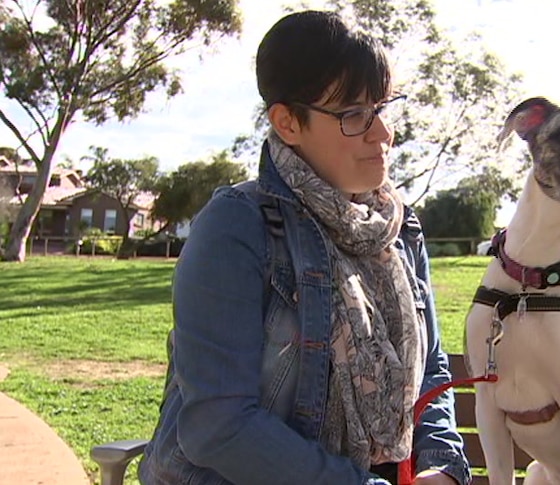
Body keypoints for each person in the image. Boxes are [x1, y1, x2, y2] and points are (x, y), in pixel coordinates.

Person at [138, 10, 470, 485]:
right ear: (288, 122)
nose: (383, 134)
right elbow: (218, 426)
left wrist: (443, 468)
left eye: (382, 108)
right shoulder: (237, 227)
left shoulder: (399, 231)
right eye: (354, 115)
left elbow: (432, 369)